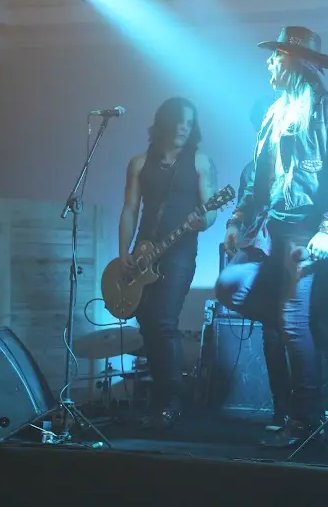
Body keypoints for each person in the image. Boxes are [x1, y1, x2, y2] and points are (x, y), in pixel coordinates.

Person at [215, 26, 328, 448]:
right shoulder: (275, 113)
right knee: (230, 286)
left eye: (276, 56)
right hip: (273, 229)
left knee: (292, 326)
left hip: (306, 231)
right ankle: (302, 326)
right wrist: (238, 219)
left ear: (295, 62)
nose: (269, 62)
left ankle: (304, 421)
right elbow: (258, 177)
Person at [118, 97, 218, 429]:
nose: (183, 128)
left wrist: (202, 222)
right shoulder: (139, 163)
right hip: (143, 252)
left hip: (179, 252)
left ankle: (172, 402)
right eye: (178, 121)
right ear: (164, 123)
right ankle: (160, 400)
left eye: (189, 123)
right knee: (146, 322)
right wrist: (123, 253)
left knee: (163, 320)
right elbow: (130, 209)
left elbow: (212, 209)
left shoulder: (200, 162)